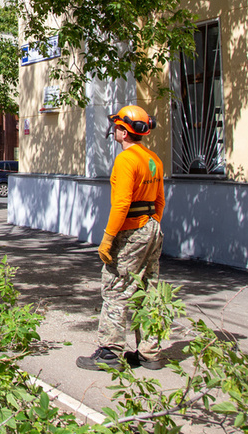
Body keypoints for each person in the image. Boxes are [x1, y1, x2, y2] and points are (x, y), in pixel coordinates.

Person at [76, 105, 166, 372]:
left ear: (123, 131)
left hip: (130, 230)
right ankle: (150, 353)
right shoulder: (153, 159)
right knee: (147, 289)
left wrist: (108, 238)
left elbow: (122, 204)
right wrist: (152, 225)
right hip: (151, 228)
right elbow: (159, 200)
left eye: (116, 126)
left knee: (116, 289)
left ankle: (110, 353)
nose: (113, 130)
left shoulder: (127, 160)